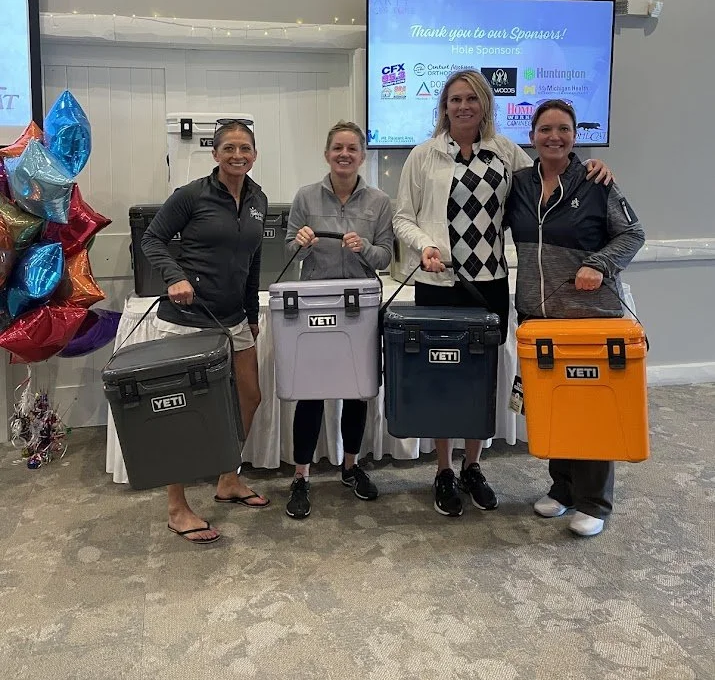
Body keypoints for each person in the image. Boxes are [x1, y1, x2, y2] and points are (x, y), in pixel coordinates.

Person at [393, 70, 612, 519]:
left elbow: (550, 176)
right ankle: (443, 470)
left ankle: (473, 465)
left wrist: (594, 167)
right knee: (441, 377)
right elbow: (403, 218)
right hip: (438, 283)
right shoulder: (423, 155)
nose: (463, 106)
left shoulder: (506, 153)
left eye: (472, 98)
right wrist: (424, 245)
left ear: (485, 104)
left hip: (488, 282)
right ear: (444, 106)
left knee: (480, 376)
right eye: (455, 99)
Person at [506, 99, 645, 536]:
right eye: (545, 129)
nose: (554, 137)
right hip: (538, 316)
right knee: (553, 406)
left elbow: (633, 233)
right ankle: (563, 490)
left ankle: (594, 503)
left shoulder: (596, 182)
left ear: (574, 135)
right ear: (532, 136)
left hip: (590, 318)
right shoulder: (520, 184)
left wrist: (599, 264)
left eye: (563, 129)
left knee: (591, 407)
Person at [141, 121, 269, 543]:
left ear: (254, 154)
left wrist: (250, 314)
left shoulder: (257, 199)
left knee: (249, 396)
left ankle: (227, 479)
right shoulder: (191, 195)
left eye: (245, 148)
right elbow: (153, 239)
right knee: (180, 412)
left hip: (234, 319)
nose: (238, 155)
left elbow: (251, 263)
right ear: (215, 154)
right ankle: (176, 507)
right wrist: (174, 276)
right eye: (229, 148)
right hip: (188, 319)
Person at [283, 121, 393, 519]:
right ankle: (301, 475)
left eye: (352, 149)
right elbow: (288, 253)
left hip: (360, 308)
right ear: (327, 153)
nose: (344, 154)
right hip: (314, 307)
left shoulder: (379, 201)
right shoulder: (305, 197)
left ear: (362, 156)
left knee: (357, 391)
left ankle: (351, 465)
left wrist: (365, 248)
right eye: (337, 148)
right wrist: (299, 243)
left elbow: (386, 257)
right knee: (310, 393)